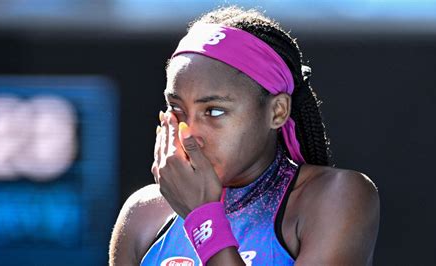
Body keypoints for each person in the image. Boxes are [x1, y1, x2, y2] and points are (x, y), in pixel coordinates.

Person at [109, 6, 379, 266]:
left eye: (214, 111)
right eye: (177, 109)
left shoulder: (336, 197)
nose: (189, 132)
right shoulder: (144, 214)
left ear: (277, 111)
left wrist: (202, 218)